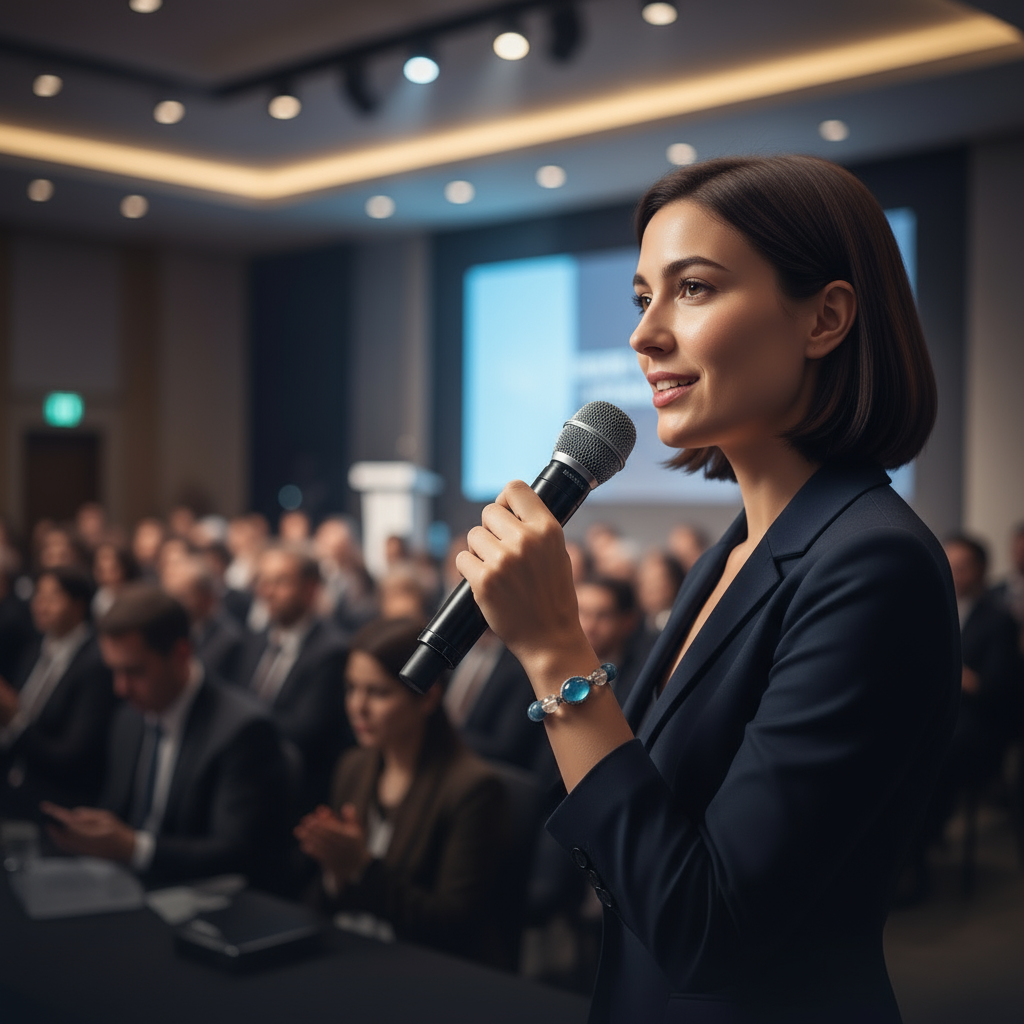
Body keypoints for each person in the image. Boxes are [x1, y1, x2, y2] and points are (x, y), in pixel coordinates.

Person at [454, 156, 960, 1022]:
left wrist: (552, 650)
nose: (644, 336)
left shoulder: (876, 564)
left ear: (825, 318)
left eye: (692, 289)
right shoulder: (729, 554)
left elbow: (708, 928)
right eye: (643, 297)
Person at [43, 585, 290, 888]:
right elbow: (119, 810)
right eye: (115, 672)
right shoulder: (128, 718)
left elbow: (235, 851)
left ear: (180, 654)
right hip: (127, 886)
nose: (121, 688)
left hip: (204, 897)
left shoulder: (243, 730)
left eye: (134, 672)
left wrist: (135, 848)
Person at [295, 618, 510, 965]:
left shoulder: (473, 788)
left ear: (428, 698)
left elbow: (453, 923)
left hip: (423, 970)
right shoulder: (353, 765)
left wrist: (361, 868)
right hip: (351, 952)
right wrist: (336, 872)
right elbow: (323, 898)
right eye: (352, 688)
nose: (357, 707)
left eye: (377, 692)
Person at [237, 544, 350, 810]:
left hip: (296, 791)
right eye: (263, 581)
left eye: (280, 582)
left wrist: (240, 725)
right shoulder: (253, 640)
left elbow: (306, 732)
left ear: (310, 590)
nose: (266, 592)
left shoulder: (332, 651)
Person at [0, 566, 115, 815]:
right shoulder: (35, 649)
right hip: (16, 782)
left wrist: (13, 719)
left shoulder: (95, 665)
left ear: (78, 605)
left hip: (59, 799)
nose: (41, 606)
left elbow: (72, 758)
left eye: (52, 598)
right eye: (38, 597)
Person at [162, 555, 245, 685]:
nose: (173, 604)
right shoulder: (171, 629)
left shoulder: (230, 640)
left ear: (207, 597)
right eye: (170, 596)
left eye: (181, 596)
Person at [576, 578, 658, 708]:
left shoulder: (645, 673)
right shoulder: (552, 666)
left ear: (629, 621)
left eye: (603, 616)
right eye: (581, 613)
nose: (589, 626)